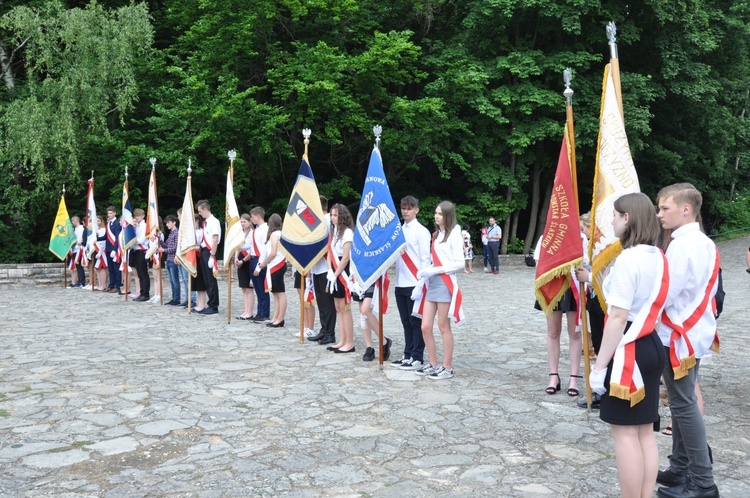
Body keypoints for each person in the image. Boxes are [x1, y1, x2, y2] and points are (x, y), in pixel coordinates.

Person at [588, 192, 669, 498]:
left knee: (624, 435)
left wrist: (599, 365)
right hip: (650, 343)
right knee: (645, 431)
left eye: (616, 215)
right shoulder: (658, 256)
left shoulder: (628, 259)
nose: (612, 220)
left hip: (628, 350)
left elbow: (618, 316)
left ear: (628, 218)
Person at [654, 183, 720, 498]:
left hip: (677, 335)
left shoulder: (682, 245)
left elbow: (667, 293)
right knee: (683, 403)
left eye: (664, 208)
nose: (659, 214)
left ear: (685, 208)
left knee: (683, 404)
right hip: (693, 334)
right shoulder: (703, 241)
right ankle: (680, 468)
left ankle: (702, 482)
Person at [414, 200, 465, 380]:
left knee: (443, 326)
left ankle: (447, 367)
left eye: (440, 214)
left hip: (445, 282)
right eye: (436, 213)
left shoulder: (454, 236)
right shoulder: (436, 236)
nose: (436, 216)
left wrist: (435, 269)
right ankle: (433, 363)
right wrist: (425, 270)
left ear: (448, 216)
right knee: (425, 326)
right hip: (433, 282)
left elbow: (460, 263)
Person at [534, 235, 582, 397]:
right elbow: (538, 264)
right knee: (553, 332)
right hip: (553, 286)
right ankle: (553, 376)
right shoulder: (547, 237)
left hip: (574, 286)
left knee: (574, 333)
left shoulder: (580, 236)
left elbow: (588, 262)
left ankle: (574, 378)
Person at [391, 195, 432, 370]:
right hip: (400, 282)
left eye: (409, 208)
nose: (405, 211)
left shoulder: (421, 231)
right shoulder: (399, 230)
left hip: (414, 283)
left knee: (416, 322)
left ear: (416, 209)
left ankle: (417, 356)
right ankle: (407, 354)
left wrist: (420, 284)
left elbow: (425, 259)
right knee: (405, 322)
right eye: (403, 208)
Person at [575, 212, 606, 409]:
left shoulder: (605, 245)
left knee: (604, 344)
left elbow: (608, 273)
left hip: (605, 301)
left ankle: (605, 391)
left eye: (584, 229)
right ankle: (600, 390)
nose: (583, 233)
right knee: (597, 341)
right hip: (594, 299)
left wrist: (589, 275)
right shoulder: (591, 245)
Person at [307, 196, 337, 345]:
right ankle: (324, 329)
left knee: (327, 302)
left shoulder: (326, 221)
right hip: (317, 267)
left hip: (326, 265)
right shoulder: (319, 221)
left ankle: (330, 332)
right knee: (320, 300)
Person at [325, 203, 355, 353]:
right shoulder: (334, 232)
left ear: (342, 216)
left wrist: (336, 274)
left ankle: (349, 342)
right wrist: (330, 270)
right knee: (337, 308)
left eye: (335, 215)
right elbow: (330, 252)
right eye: (331, 215)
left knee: (345, 308)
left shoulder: (347, 233)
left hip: (343, 272)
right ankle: (341, 340)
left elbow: (346, 257)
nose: (332, 217)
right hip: (334, 271)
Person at [256, 213, 287, 327]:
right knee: (276, 293)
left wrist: (263, 263)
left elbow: (273, 252)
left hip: (276, 265)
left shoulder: (275, 235)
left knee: (280, 293)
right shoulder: (281, 234)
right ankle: (276, 316)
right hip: (277, 264)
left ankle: (280, 318)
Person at [352, 281, 392, 362]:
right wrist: (355, 280)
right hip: (359, 278)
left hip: (372, 278)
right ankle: (369, 347)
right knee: (362, 313)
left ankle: (384, 340)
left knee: (365, 310)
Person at [196, 200, 221, 315]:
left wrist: (212, 255)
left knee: (211, 280)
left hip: (209, 252)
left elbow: (215, 239)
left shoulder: (214, 222)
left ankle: (213, 306)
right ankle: (210, 303)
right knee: (206, 279)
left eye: (200, 211)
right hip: (204, 251)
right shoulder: (206, 222)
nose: (200, 214)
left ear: (205, 210)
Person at [249, 206, 270, 322]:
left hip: (260, 260)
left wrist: (259, 266)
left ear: (258, 216)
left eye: (252, 217)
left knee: (262, 289)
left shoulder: (265, 229)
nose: (251, 219)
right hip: (253, 258)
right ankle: (260, 311)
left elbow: (264, 249)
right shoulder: (255, 230)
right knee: (257, 289)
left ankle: (264, 313)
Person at [235, 213, 256, 319]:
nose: (242, 224)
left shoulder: (252, 233)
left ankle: (250, 312)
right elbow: (237, 247)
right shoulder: (240, 233)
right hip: (240, 261)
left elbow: (252, 250)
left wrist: (243, 260)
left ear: (250, 222)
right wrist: (236, 259)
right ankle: (246, 310)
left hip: (247, 261)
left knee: (248, 288)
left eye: (244, 222)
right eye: (241, 222)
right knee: (243, 288)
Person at [131, 208, 150, 302]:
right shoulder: (136, 226)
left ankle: (145, 294)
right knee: (139, 274)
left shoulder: (144, 226)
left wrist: (133, 240)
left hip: (142, 250)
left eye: (138, 216)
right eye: (136, 216)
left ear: (143, 216)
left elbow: (141, 240)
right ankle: (142, 292)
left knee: (143, 273)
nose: (137, 218)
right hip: (135, 250)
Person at [163, 214, 181, 305]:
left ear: (174, 222)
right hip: (169, 259)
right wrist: (160, 241)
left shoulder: (177, 233)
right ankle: (174, 297)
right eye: (166, 223)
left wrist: (163, 250)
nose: (167, 224)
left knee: (175, 280)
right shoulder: (171, 234)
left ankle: (177, 298)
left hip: (174, 259)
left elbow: (175, 248)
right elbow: (167, 245)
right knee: (171, 280)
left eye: (169, 222)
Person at [105, 206, 122, 293]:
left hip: (115, 249)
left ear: (115, 213)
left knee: (116, 269)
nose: (109, 215)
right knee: (110, 269)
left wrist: (115, 249)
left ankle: (117, 286)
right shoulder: (108, 224)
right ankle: (111, 285)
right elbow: (106, 236)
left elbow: (117, 237)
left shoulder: (117, 223)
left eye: (111, 213)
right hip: (108, 249)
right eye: (108, 213)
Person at [148, 216, 164, 304]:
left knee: (158, 277)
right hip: (153, 256)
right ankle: (155, 293)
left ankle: (159, 294)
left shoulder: (160, 233)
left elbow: (160, 244)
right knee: (154, 277)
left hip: (158, 256)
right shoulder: (152, 233)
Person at [69, 216, 86, 287]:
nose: (72, 223)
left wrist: (80, 242)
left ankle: (82, 282)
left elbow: (82, 238)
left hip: (80, 249)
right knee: (77, 266)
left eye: (72, 221)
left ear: (76, 221)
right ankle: (78, 281)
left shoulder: (82, 228)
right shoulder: (74, 229)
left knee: (79, 266)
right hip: (74, 249)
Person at [93, 215, 109, 291]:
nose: (97, 222)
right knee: (97, 268)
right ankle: (100, 284)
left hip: (101, 251)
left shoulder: (103, 230)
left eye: (98, 221)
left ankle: (103, 285)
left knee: (101, 267)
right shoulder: (95, 230)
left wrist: (100, 251)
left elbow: (103, 242)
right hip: (95, 250)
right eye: (96, 221)